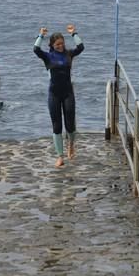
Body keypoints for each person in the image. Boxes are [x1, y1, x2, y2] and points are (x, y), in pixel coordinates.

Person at [33, 24, 84, 168]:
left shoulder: (69, 54)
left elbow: (81, 47)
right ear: (52, 45)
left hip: (68, 93)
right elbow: (36, 49)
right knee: (57, 125)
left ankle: (71, 145)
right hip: (54, 94)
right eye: (57, 44)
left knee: (70, 125)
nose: (60, 46)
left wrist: (74, 33)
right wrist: (41, 35)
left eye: (62, 43)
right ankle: (60, 156)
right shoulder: (48, 56)